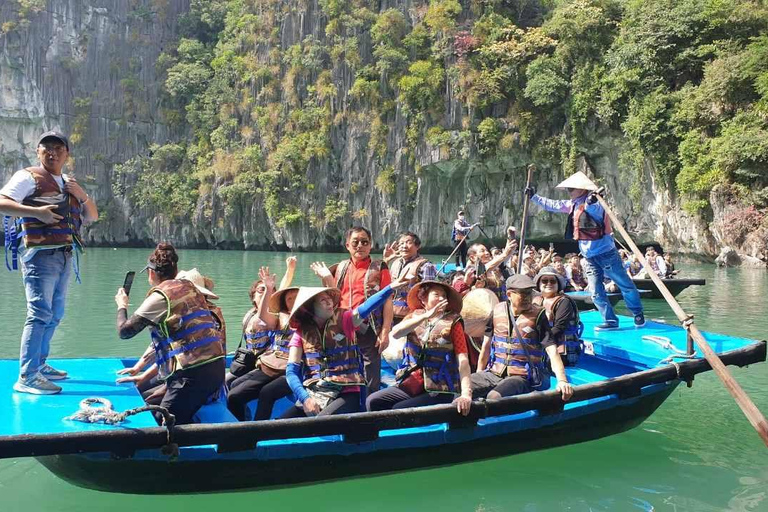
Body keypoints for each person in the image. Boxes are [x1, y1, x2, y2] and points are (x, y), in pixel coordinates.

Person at [0, 131, 99, 394]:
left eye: (58, 148)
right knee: (39, 313)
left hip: (64, 254)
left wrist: (82, 195)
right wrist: (37, 213)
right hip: (40, 256)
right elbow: (2, 202)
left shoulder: (67, 182)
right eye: (46, 148)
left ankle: (40, 365)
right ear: (38, 152)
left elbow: (92, 216)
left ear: (67, 154)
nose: (52, 152)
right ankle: (28, 376)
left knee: (55, 314)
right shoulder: (28, 177)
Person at [114, 243, 225, 425]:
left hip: (191, 376)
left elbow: (124, 332)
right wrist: (140, 369)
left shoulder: (160, 297)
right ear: (176, 270)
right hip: (215, 368)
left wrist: (122, 305)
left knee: (162, 424)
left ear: (151, 273)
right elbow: (172, 339)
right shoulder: (191, 287)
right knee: (160, 408)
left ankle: (181, 448)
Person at [527, 172, 645, 330]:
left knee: (624, 284)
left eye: (571, 188)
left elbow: (594, 209)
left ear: (582, 189)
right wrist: (533, 196)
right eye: (568, 189)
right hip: (589, 257)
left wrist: (592, 200)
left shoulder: (596, 202)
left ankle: (637, 314)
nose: (569, 191)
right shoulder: (573, 204)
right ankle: (610, 320)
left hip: (606, 254)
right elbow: (552, 205)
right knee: (596, 290)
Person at [280, 278, 409, 418]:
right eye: (323, 300)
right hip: (316, 391)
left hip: (347, 391)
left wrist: (389, 288)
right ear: (310, 308)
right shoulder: (301, 332)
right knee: (281, 424)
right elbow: (291, 372)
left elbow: (366, 307)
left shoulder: (346, 319)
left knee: (318, 423)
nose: (329, 302)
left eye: (329, 298)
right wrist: (305, 398)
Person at [366, 281, 473, 415]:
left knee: (398, 410)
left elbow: (462, 359)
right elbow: (396, 333)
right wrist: (426, 316)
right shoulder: (414, 316)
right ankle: (377, 434)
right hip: (413, 382)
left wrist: (466, 394)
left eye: (444, 295)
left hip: (439, 387)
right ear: (423, 299)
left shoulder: (454, 322)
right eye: (436, 294)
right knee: (373, 401)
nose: (441, 298)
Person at [311, 227, 392, 392]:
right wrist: (325, 278)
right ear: (347, 245)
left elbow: (387, 300)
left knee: (370, 368)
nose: (360, 246)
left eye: (364, 242)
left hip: (369, 325)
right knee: (344, 365)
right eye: (355, 242)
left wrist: (385, 332)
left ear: (370, 246)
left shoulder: (380, 267)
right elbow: (331, 295)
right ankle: (347, 397)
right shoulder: (341, 267)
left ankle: (370, 405)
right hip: (343, 323)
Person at [472, 275, 574, 400]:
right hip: (494, 372)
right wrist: (479, 373)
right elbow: (486, 347)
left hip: (522, 376)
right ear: (509, 294)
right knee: (464, 387)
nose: (528, 297)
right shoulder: (497, 311)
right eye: (523, 293)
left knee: (494, 396)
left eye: (529, 293)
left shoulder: (539, 316)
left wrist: (562, 380)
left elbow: (552, 350)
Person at [226, 286, 299, 421]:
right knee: (234, 389)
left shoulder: (309, 318)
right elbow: (263, 315)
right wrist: (269, 289)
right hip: (273, 365)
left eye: (296, 297)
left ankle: (257, 432)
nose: (294, 300)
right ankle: (242, 427)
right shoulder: (279, 318)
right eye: (289, 298)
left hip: (293, 369)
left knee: (266, 392)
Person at [533, 267, 582, 367]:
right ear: (539, 284)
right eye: (544, 281)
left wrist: (537, 343)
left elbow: (559, 327)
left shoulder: (564, 302)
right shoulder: (537, 300)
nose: (549, 283)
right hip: (544, 346)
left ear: (558, 284)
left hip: (562, 353)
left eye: (553, 281)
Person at [386, 231, 437, 323]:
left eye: (409, 242)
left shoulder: (426, 266)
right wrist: (386, 261)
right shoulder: (395, 263)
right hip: (390, 312)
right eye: (401, 243)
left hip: (411, 315)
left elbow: (428, 292)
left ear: (417, 246)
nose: (404, 246)